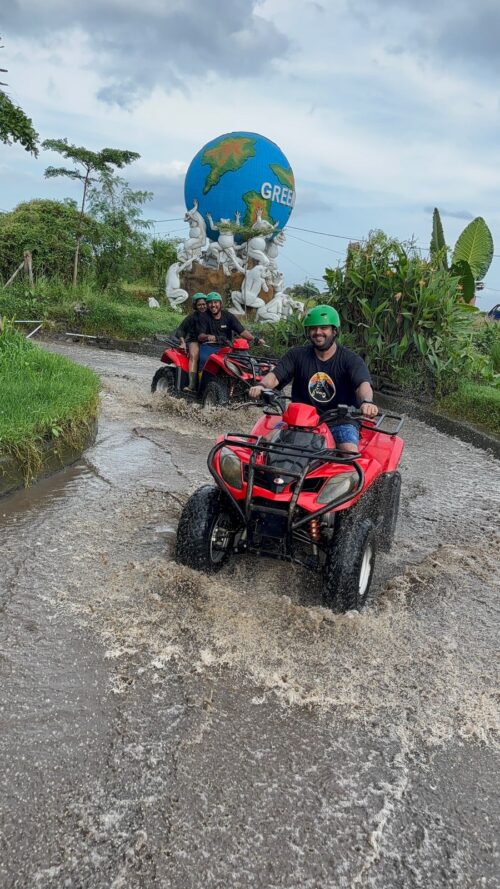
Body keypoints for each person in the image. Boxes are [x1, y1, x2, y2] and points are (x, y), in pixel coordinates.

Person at [249, 304, 378, 453]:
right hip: (298, 419)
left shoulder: (350, 359)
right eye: (313, 328)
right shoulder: (296, 355)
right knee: (263, 444)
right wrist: (261, 386)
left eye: (324, 328)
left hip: (340, 421)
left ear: (334, 331)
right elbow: (275, 376)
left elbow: (363, 385)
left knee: (349, 453)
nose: (318, 332)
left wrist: (367, 402)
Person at [197, 291, 264, 366]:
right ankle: (201, 377)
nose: (213, 305)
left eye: (216, 302)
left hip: (226, 346)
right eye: (210, 303)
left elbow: (242, 331)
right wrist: (209, 336)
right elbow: (200, 336)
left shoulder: (228, 316)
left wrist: (255, 339)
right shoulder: (203, 317)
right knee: (204, 360)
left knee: (244, 360)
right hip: (209, 347)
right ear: (207, 305)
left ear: (220, 303)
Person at [174, 292, 207, 391]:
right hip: (194, 340)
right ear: (195, 306)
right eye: (199, 305)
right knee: (194, 355)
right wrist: (183, 342)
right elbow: (180, 330)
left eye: (204, 304)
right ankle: (192, 384)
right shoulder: (192, 317)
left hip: (210, 342)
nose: (202, 307)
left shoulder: (212, 315)